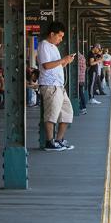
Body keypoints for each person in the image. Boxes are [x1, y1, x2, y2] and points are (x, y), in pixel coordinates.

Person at [37, 21, 76, 151]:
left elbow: (58, 65)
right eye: (59, 36)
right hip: (50, 85)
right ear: (52, 34)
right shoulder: (44, 45)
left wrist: (66, 61)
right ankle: (49, 142)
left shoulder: (54, 47)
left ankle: (59, 140)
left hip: (59, 86)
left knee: (67, 113)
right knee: (51, 114)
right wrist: (62, 60)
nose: (61, 39)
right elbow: (46, 66)